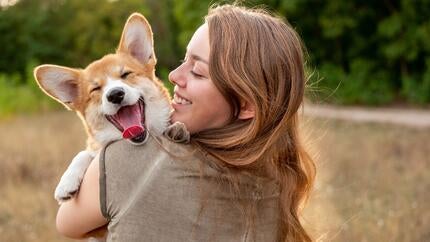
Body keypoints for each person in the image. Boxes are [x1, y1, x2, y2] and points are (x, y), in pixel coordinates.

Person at [56, 4, 316, 242]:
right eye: (184, 60)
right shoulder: (278, 183)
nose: (172, 76)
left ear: (247, 104)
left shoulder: (130, 161)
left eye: (198, 71)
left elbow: (66, 223)